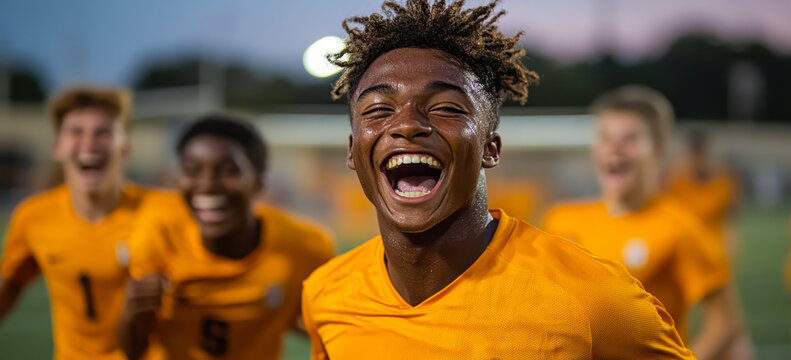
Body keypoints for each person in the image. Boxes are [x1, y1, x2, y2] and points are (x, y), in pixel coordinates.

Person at [302, 0, 693, 358]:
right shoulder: (326, 295)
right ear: (353, 151)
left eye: (445, 107)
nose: (406, 124)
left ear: (491, 149)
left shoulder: (594, 298)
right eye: (379, 109)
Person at [543, 86, 743, 359]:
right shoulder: (561, 219)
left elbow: (725, 322)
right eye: (605, 137)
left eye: (630, 138)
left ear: (658, 149)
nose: (614, 148)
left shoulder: (681, 227)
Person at [118, 114, 334, 360]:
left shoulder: (305, 247)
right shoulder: (158, 229)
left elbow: (328, 330)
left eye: (229, 170)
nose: (208, 184)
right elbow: (133, 349)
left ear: (259, 182)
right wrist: (131, 312)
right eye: (192, 170)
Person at [0, 86, 150, 359]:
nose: (89, 143)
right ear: (57, 146)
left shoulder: (161, 211)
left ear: (125, 147)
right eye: (76, 132)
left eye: (103, 132)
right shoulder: (33, 216)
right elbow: (7, 289)